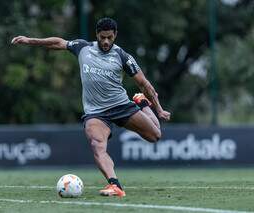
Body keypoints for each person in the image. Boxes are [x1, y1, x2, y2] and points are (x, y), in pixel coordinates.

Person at [11, 17, 171, 197]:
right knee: (97, 145)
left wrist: (158, 109)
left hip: (121, 106)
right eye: (102, 37)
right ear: (97, 34)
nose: (105, 41)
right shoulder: (83, 48)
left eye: (110, 37)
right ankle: (115, 185)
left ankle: (141, 103)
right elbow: (59, 42)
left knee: (155, 136)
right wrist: (30, 40)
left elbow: (145, 84)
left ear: (115, 35)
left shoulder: (123, 56)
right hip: (96, 113)